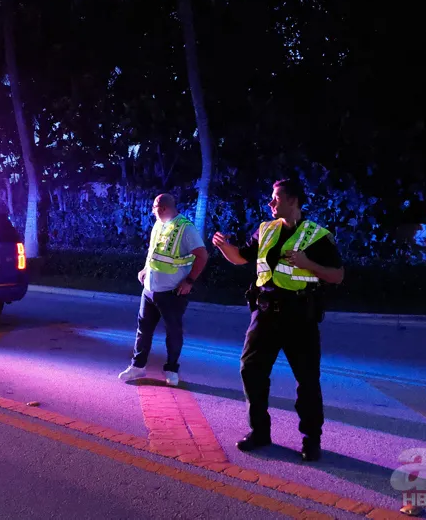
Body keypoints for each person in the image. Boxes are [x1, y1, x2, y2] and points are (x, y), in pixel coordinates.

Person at [212, 179, 344, 461]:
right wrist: (224, 248)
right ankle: (260, 431)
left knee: (307, 380)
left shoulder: (317, 236)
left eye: (276, 198)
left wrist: (309, 264)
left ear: (293, 200)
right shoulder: (265, 230)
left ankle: (311, 440)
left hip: (300, 317)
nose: (271, 203)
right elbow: (241, 258)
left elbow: (337, 275)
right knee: (251, 370)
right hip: (264, 313)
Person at [118, 193, 208, 386]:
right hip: (150, 290)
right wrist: (145, 269)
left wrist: (190, 281)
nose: (152, 211)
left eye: (154, 207)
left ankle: (172, 369)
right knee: (143, 330)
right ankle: (137, 366)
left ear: (163, 207)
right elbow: (153, 252)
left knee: (173, 332)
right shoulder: (159, 224)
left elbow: (202, 256)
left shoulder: (186, 228)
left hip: (172, 292)